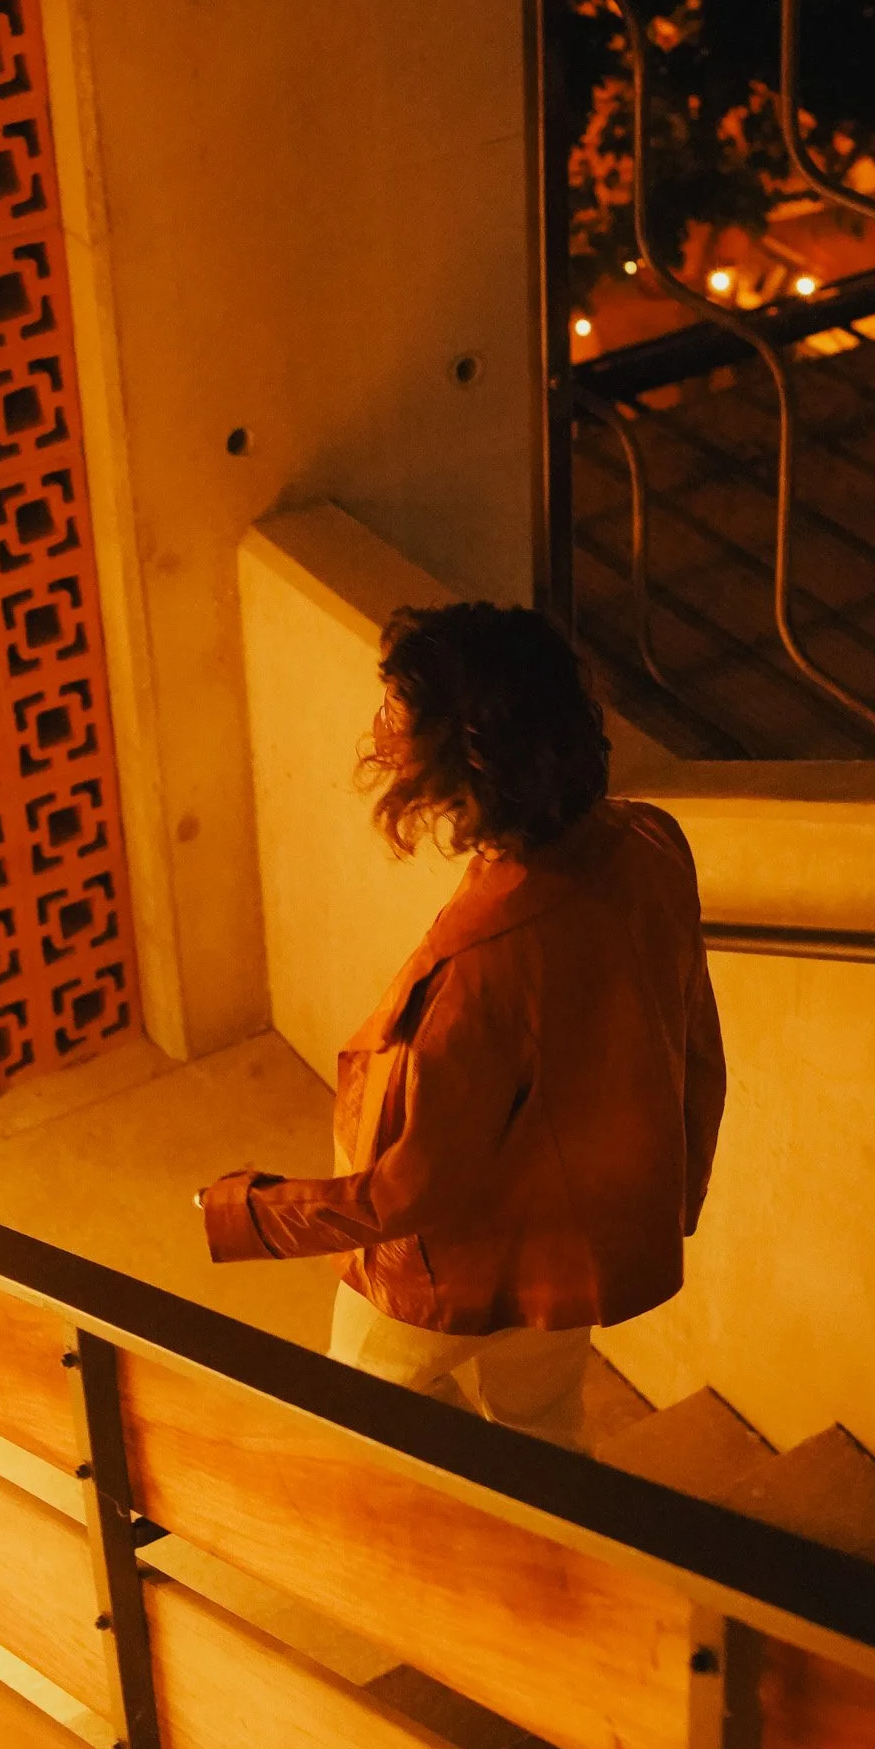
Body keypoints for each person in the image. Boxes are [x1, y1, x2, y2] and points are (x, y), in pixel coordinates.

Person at [197, 601, 725, 1446]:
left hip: (452, 1273)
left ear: (463, 750)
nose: (381, 725)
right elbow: (695, 1047)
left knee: (369, 1406)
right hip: (572, 1252)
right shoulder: (651, 844)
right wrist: (672, 1193)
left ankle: (459, 1544)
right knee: (543, 1422)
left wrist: (241, 1211)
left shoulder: (482, 964)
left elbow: (410, 1192)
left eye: (398, 708)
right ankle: (549, 1558)